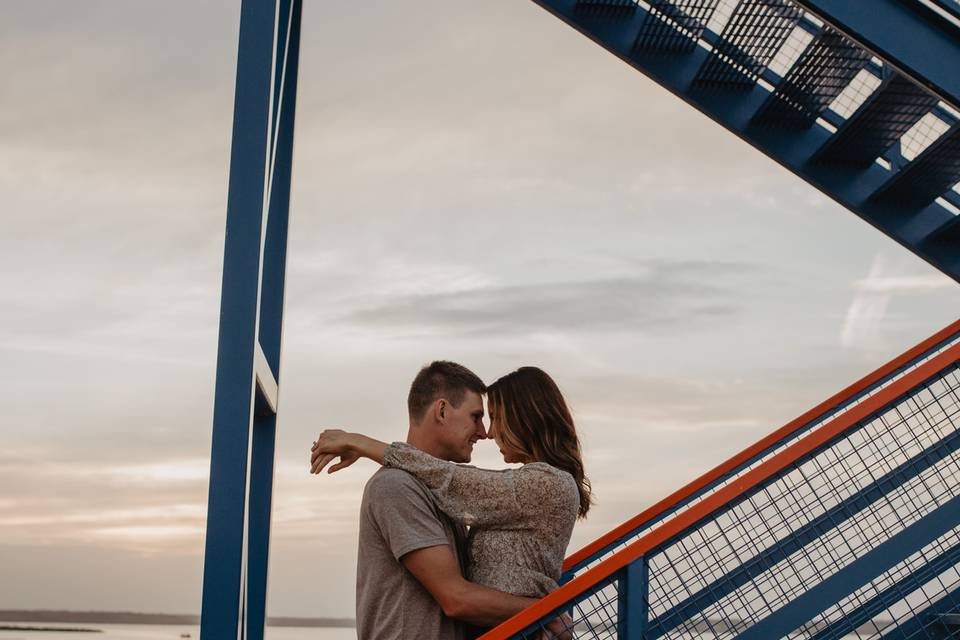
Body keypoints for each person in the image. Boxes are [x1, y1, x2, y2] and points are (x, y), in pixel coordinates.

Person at [311, 364, 591, 638]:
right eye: (477, 417)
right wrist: (546, 612)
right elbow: (456, 598)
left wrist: (360, 442)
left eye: (492, 418)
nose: (485, 432)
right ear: (442, 411)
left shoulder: (529, 486)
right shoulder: (397, 486)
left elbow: (454, 479)